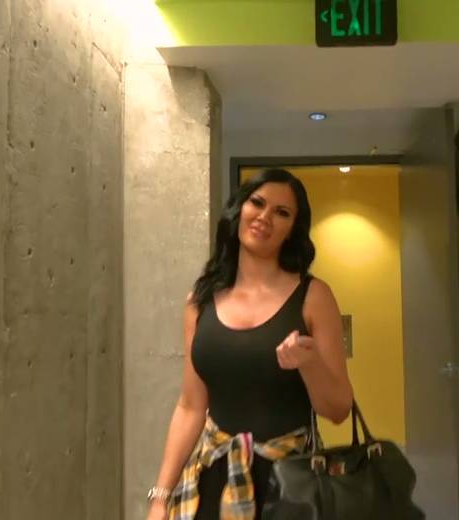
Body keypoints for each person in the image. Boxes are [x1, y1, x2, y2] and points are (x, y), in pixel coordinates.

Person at [146, 168, 355, 520]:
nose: (265, 217)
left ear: (293, 229)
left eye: (282, 212)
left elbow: (338, 409)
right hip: (212, 482)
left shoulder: (313, 297)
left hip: (290, 489)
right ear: (239, 209)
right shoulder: (200, 301)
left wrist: (308, 363)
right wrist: (160, 498)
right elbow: (191, 406)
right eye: (257, 203)